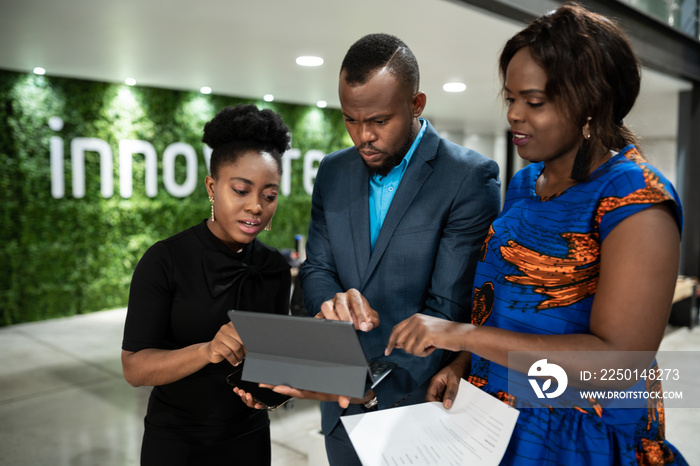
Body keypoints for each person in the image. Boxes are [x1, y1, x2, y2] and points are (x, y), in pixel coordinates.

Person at [386, 3, 687, 464]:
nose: (515, 115)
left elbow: (618, 364)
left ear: (588, 102)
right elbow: (506, 309)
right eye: (510, 99)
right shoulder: (527, 184)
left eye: (535, 102)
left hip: (575, 434)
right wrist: (466, 366)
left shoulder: (633, 196)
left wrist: (461, 337)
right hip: (494, 417)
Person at [270, 33, 501, 465]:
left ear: (417, 104)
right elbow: (317, 267)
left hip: (422, 407)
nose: (363, 136)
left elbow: (450, 306)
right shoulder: (333, 171)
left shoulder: (468, 178)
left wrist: (370, 385)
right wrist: (332, 301)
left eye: (378, 120)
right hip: (338, 407)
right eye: (350, 120)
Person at [121, 104, 292, 466]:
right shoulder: (165, 260)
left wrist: (275, 389)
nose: (256, 206)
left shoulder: (275, 267)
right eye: (242, 190)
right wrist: (206, 351)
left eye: (269, 194)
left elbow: (273, 362)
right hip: (178, 441)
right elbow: (135, 368)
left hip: (250, 436)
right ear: (212, 188)